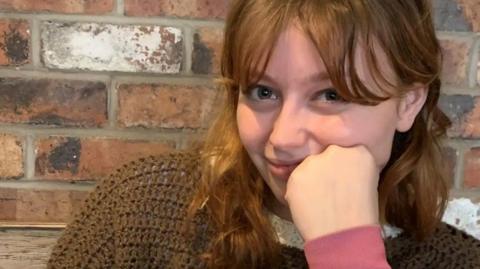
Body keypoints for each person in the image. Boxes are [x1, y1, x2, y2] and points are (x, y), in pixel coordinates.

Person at [48, 0, 480, 268]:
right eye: (263, 91)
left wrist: (348, 258)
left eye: (331, 94)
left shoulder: (457, 262)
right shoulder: (140, 212)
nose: (284, 138)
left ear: (408, 102)